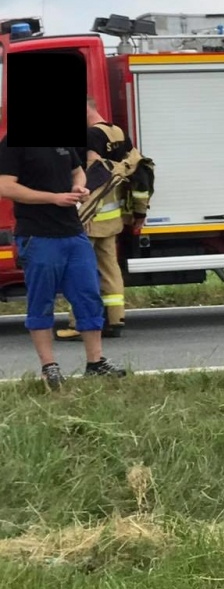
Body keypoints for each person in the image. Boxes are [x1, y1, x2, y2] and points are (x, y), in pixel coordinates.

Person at [0, 139, 125, 389]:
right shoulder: (12, 145)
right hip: (38, 235)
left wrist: (80, 187)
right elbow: (6, 187)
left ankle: (96, 363)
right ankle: (49, 367)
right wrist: (53, 198)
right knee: (41, 300)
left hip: (73, 233)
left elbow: (77, 171)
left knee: (88, 297)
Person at [57, 100, 141, 340]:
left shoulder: (91, 135)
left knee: (80, 270)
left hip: (91, 215)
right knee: (110, 268)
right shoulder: (117, 132)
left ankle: (79, 324)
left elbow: (92, 176)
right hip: (111, 215)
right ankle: (115, 319)